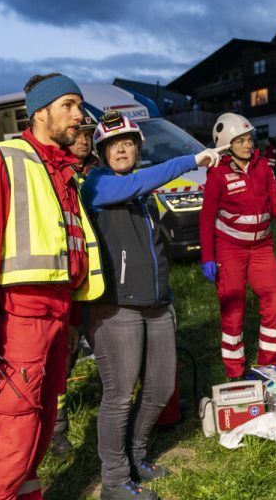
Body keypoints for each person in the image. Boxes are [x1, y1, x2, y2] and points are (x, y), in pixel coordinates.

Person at [0, 73, 105, 500]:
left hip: (59, 314)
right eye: (69, 106)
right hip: (22, 316)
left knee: (40, 427)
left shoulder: (64, 169)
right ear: (40, 112)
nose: (80, 116)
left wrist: (75, 318)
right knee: (16, 428)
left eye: (80, 106)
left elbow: (70, 251)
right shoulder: (4, 159)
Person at [81, 110, 222, 500]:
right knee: (120, 395)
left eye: (128, 142)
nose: (122, 149)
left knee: (159, 389)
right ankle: (113, 480)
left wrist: (167, 290)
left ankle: (137, 457)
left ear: (137, 148)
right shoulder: (97, 185)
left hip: (158, 305)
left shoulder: (144, 195)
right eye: (113, 144)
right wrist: (192, 160)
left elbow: (156, 245)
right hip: (116, 308)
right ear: (102, 152)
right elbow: (137, 182)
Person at [199, 113, 276, 380]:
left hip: (262, 247)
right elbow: (207, 217)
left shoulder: (264, 167)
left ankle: (269, 366)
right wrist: (208, 257)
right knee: (233, 310)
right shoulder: (217, 175)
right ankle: (235, 372)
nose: (247, 145)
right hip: (229, 248)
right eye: (240, 140)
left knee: (275, 302)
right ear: (226, 145)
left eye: (249, 139)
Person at [49, 113, 98, 457]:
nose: (84, 139)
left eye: (89, 134)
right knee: (64, 355)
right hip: (69, 280)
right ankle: (56, 428)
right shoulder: (54, 171)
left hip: (103, 280)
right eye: (79, 134)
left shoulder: (101, 170)